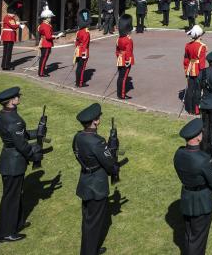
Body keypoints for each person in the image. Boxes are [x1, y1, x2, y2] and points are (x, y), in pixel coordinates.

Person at [0, 86, 43, 243]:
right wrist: (33, 155)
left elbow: (19, 135)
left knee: (14, 195)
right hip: (13, 163)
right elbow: (21, 144)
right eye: (16, 96)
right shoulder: (14, 120)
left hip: (8, 158)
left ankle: (17, 223)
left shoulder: (2, 115)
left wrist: (38, 132)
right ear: (11, 101)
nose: (19, 97)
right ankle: (6, 233)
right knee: (11, 198)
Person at [73, 103, 119, 255]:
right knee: (94, 222)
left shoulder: (78, 136)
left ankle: (90, 249)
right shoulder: (97, 141)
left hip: (85, 182)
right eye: (98, 118)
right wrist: (112, 149)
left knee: (88, 220)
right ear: (95, 121)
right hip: (96, 185)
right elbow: (110, 164)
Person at [174, 118, 212, 255]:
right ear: (198, 137)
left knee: (189, 235)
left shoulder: (179, 153)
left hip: (187, 197)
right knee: (198, 239)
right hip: (202, 201)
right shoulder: (203, 159)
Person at [184, 26, 209, 115]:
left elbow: (186, 59)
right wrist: (204, 76)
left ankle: (189, 109)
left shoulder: (187, 45)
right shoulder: (202, 46)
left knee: (190, 89)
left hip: (190, 69)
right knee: (198, 90)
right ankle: (196, 109)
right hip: (198, 70)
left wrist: (186, 71)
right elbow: (202, 63)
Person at [116, 15, 135, 100]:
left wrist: (119, 57)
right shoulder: (128, 40)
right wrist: (128, 61)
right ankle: (122, 95)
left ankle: (119, 93)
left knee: (120, 77)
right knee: (123, 78)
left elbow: (117, 51)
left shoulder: (119, 38)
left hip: (120, 59)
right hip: (125, 60)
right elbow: (129, 51)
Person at [37, 6, 56, 77]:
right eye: (50, 17)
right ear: (47, 17)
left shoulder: (42, 25)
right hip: (46, 43)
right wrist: (56, 37)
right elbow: (48, 37)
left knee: (43, 58)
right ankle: (41, 72)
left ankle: (41, 71)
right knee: (44, 58)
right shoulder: (46, 26)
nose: (50, 18)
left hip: (43, 42)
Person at [74, 18, 91, 87]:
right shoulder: (86, 32)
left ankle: (77, 82)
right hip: (83, 52)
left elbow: (76, 43)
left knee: (78, 67)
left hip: (78, 50)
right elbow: (85, 44)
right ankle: (79, 83)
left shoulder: (79, 31)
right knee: (81, 68)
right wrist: (84, 54)